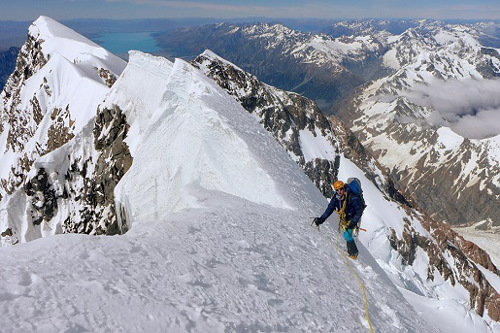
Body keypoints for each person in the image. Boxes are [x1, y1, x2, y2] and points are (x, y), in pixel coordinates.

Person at [313, 180, 364, 259]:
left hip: (352, 218)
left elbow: (358, 211)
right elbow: (330, 209)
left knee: (347, 235)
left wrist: (354, 222)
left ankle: (353, 254)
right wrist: (321, 219)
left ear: (343, 188)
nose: (339, 191)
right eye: (337, 190)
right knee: (347, 234)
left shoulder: (352, 196)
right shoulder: (336, 198)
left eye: (341, 189)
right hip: (345, 218)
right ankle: (350, 251)